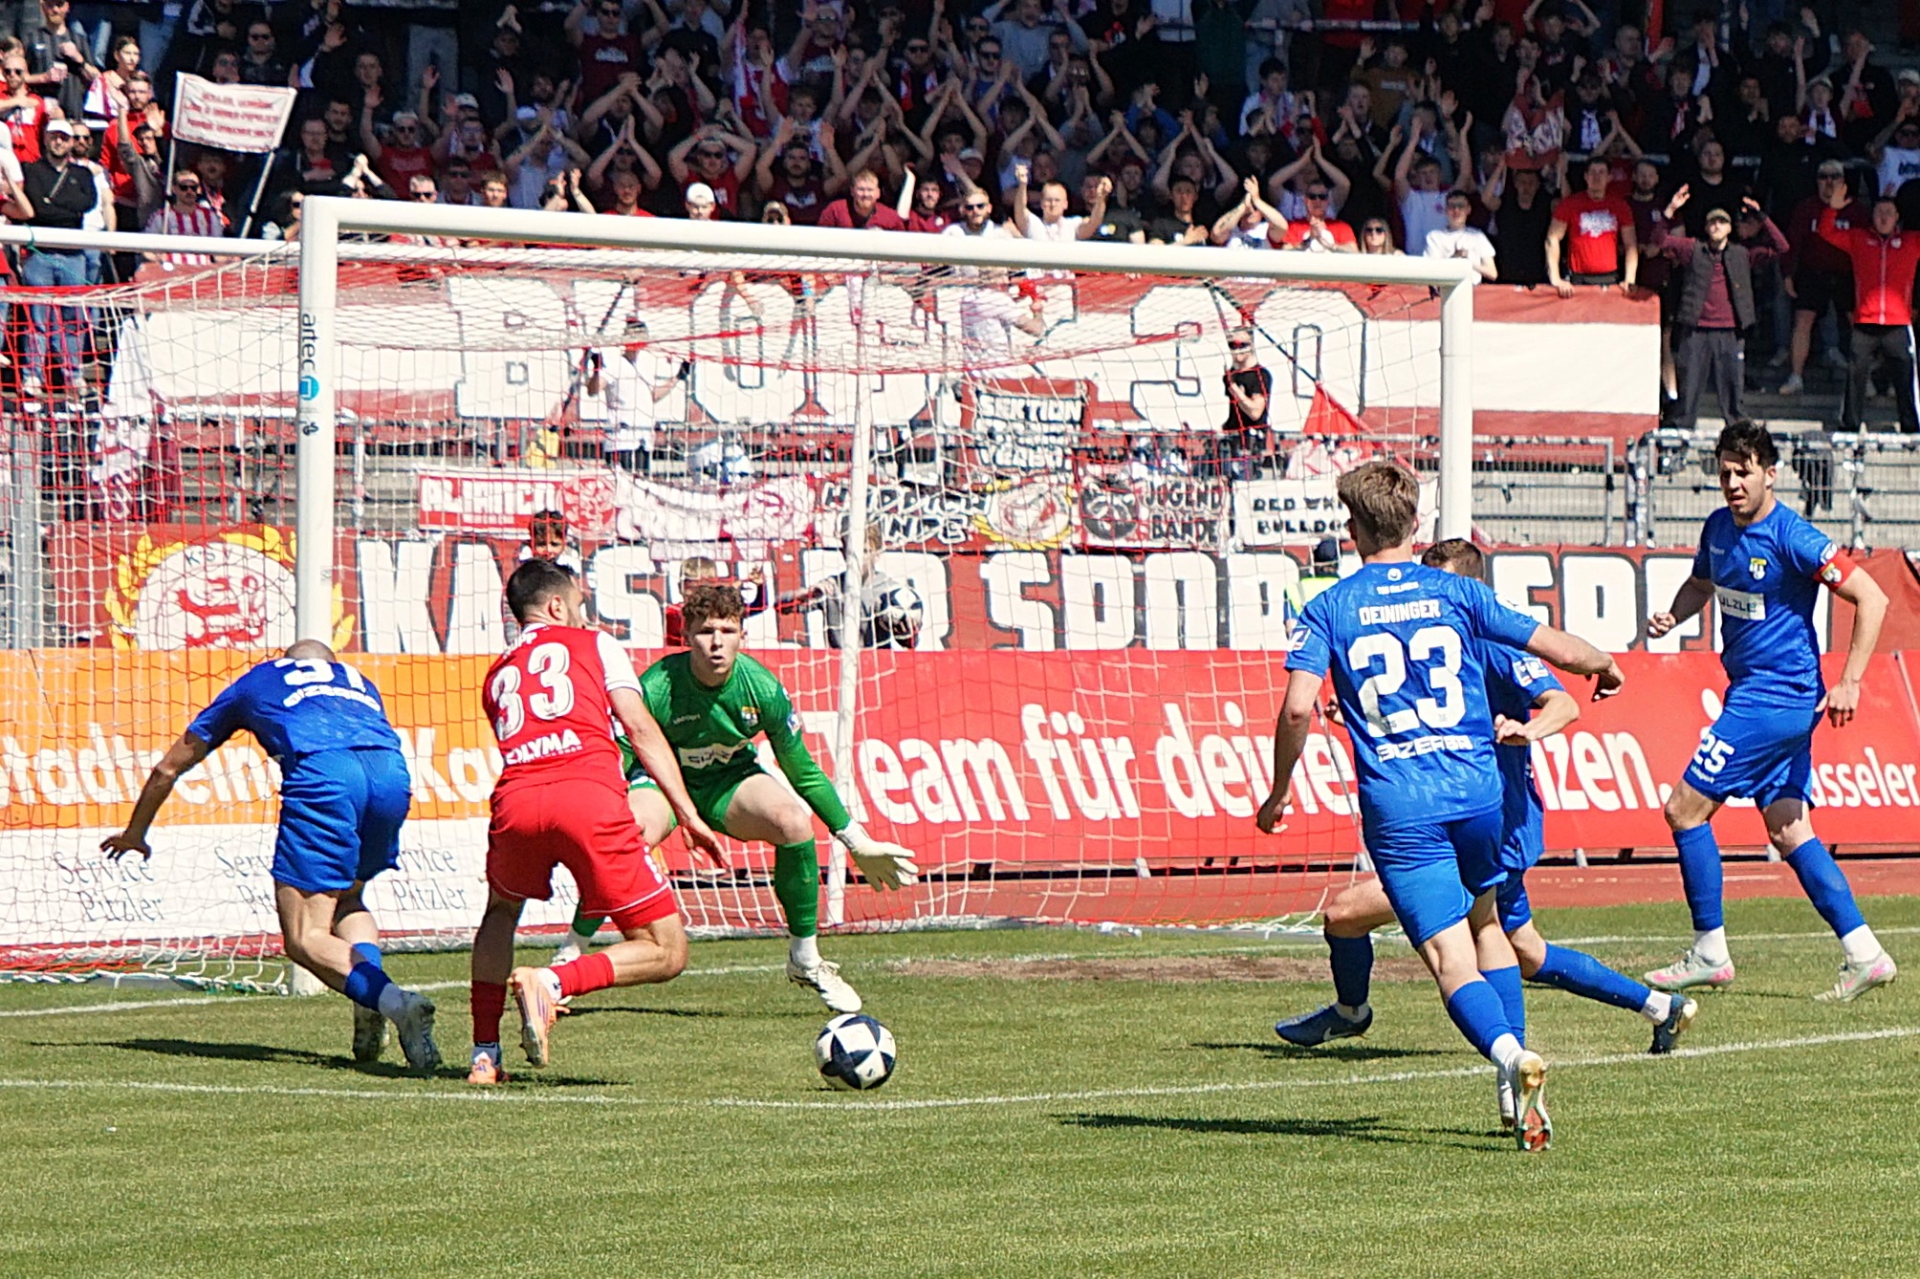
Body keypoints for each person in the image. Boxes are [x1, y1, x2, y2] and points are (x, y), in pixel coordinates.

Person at [1256, 460, 1622, 1152]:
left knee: (1448, 956)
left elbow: (1299, 706)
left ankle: (1511, 1059)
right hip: (1481, 791)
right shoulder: (1456, 591)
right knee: (1488, 922)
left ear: (1353, 528)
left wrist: (1279, 791)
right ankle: (1513, 1084)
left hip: (1404, 805)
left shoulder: (1329, 607)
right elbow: (1554, 646)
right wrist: (1603, 663)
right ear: (1414, 524)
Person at [1275, 540, 1697, 1086]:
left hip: (1490, 823)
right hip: (1461, 815)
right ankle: (1657, 1008)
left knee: (1392, 924)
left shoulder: (1492, 642)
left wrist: (1528, 729)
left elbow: (1562, 701)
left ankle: (1482, 1058)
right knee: (1521, 949)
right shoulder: (1430, 626)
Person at [550, 581, 919, 1015]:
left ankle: (805, 958)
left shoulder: (761, 688)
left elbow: (802, 770)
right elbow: (618, 763)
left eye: (728, 630)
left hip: (729, 782)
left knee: (793, 821)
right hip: (663, 786)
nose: (717, 643)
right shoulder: (656, 686)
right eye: (706, 631)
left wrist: (856, 841)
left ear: (743, 634)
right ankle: (571, 952)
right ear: (686, 635)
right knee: (628, 835)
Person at [101, 640, 442, 1073]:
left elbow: (168, 768)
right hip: (391, 776)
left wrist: (136, 833)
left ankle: (395, 1001)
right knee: (349, 898)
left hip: (325, 776)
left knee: (304, 936)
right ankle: (367, 995)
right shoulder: (360, 682)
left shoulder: (259, 679)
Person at [1645, 421, 1898, 1003]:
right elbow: (1700, 585)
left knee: (1684, 810)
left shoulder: (1793, 536)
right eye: (1725, 471)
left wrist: (1851, 681)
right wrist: (1673, 616)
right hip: (1755, 696)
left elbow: (1874, 597)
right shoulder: (1717, 529)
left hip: (1776, 698)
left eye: (1744, 472)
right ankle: (1865, 953)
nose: (1733, 483)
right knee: (1788, 826)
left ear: (1770, 474)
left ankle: (1709, 951)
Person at [469, 559, 723, 1082]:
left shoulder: (497, 674)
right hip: (588, 797)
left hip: (516, 801)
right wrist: (687, 812)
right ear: (557, 605)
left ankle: (484, 1054)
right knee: (667, 950)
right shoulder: (595, 644)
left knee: (500, 914)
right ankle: (553, 982)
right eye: (580, 604)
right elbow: (640, 728)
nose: (585, 615)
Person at [1653, 193, 1788, 430]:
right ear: (1706, 228)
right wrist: (1670, 209)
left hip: (1730, 333)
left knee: (1733, 398)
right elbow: (1659, 240)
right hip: (1695, 332)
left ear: (1729, 228)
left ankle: (1739, 448)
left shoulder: (1742, 253)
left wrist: (1761, 216)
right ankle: (1676, 451)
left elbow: (1781, 246)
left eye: (1721, 222)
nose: (1716, 226)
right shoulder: (1693, 248)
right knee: (1688, 396)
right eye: (1712, 223)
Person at [1815, 196, 1920, 434]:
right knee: (1855, 375)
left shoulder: (1911, 242)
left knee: (1905, 377)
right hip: (1865, 322)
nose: (1883, 217)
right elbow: (1826, 232)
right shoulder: (1859, 238)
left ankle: (1911, 426)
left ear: (1897, 218)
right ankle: (1850, 424)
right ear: (1872, 217)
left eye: (1888, 213)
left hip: (1898, 323)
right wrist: (1833, 209)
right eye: (1879, 212)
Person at [1778, 161, 1863, 397]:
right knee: (1802, 321)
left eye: (1834, 177)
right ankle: (1796, 376)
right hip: (1812, 272)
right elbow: (1792, 243)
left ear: (1843, 181)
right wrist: (1787, 274)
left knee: (1860, 326)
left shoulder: (1855, 210)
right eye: (1823, 177)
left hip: (1847, 275)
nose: (1829, 182)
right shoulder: (1807, 208)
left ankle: (1864, 379)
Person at [585, 316, 678, 473]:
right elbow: (593, 390)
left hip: (643, 441)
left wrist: (678, 377)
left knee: (641, 491)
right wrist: (596, 369)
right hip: (622, 442)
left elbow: (651, 396)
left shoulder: (644, 366)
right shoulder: (615, 365)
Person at [1547, 154, 1637, 294]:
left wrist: (1629, 279)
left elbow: (1630, 245)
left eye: (1602, 172)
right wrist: (1555, 278)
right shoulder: (1570, 204)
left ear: (1609, 177)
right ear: (1586, 176)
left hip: (1609, 279)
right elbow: (1552, 238)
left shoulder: (1620, 206)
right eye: (1593, 172)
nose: (1597, 177)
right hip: (1577, 281)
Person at [1423, 189, 1497, 280]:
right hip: (1445, 288)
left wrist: (1468, 263)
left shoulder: (1478, 236)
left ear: (1468, 210)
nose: (1456, 210)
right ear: (1446, 210)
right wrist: (1454, 259)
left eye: (1461, 206)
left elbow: (1492, 273)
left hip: (1473, 289)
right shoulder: (1434, 237)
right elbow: (1430, 271)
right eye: (1452, 206)